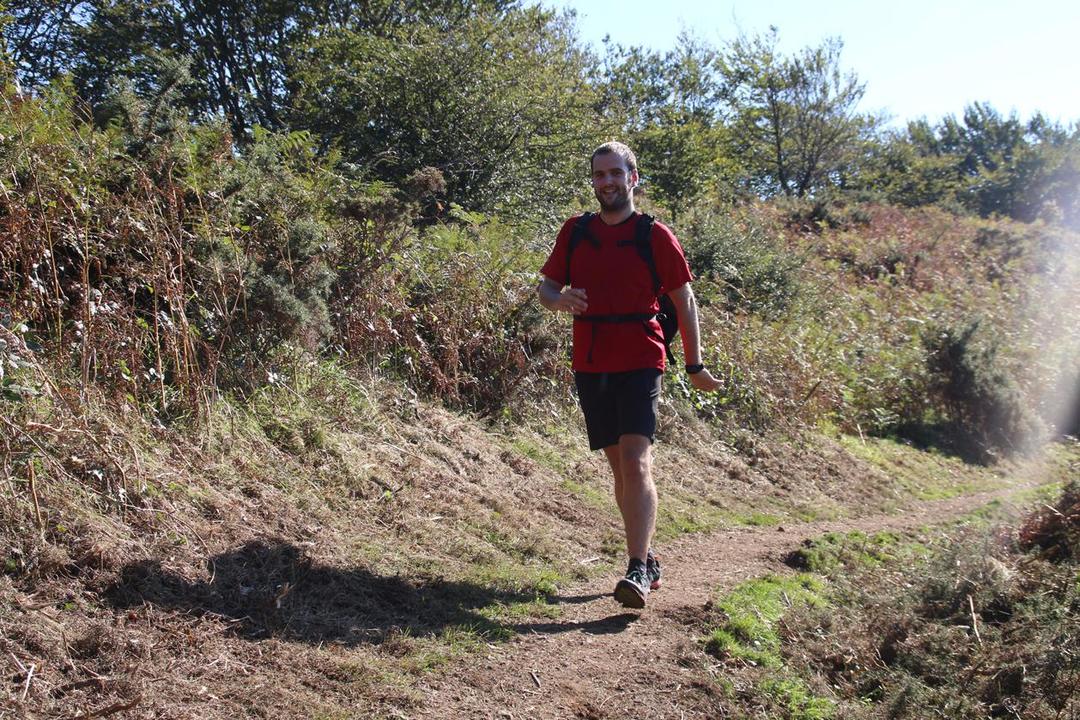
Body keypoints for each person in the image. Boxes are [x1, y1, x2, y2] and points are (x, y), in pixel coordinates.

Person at [537, 141, 721, 608]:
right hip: (591, 361)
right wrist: (559, 300)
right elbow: (547, 287)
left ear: (633, 178)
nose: (607, 182)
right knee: (619, 467)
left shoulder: (654, 235)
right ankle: (648, 556)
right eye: (599, 175)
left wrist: (695, 364)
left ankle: (636, 568)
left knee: (637, 460)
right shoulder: (576, 231)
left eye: (615, 173)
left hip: (641, 357)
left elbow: (684, 300)